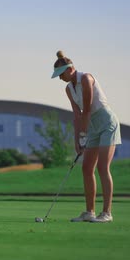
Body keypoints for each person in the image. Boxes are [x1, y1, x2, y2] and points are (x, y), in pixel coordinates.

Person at [51, 50, 121, 223]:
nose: (60, 78)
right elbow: (77, 116)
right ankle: (89, 212)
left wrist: (83, 136)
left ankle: (106, 213)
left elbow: (87, 110)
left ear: (70, 69)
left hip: (106, 124)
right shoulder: (69, 89)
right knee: (86, 168)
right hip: (92, 126)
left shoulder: (86, 79)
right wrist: (77, 141)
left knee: (103, 168)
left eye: (61, 74)